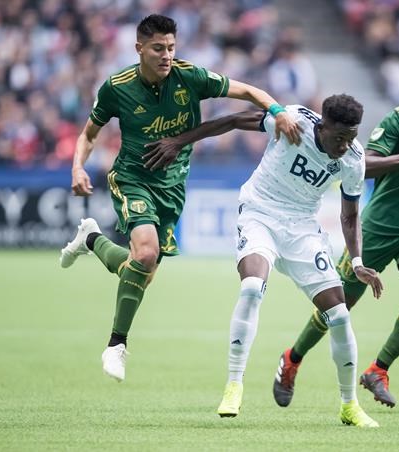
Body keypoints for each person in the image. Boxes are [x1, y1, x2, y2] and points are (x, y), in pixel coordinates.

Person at [59, 14, 301, 383]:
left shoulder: (191, 77)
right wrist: (78, 167)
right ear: (139, 48)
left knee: (140, 272)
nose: (167, 55)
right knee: (145, 254)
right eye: (158, 48)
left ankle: (91, 238)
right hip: (133, 179)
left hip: (172, 188)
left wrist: (278, 112)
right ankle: (116, 345)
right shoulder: (117, 87)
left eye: (171, 47)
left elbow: (249, 92)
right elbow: (89, 134)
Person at [146, 94, 384, 426]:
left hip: (302, 229)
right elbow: (233, 120)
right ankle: (234, 385)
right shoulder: (292, 122)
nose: (345, 146)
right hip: (260, 214)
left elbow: (350, 215)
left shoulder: (353, 159)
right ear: (323, 126)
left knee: (340, 315)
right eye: (340, 137)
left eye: (352, 137)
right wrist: (179, 141)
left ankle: (349, 405)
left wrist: (356, 262)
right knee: (252, 288)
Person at [272, 63, 399, 408]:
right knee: (339, 304)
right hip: (377, 227)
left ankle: (378, 371)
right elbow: (362, 166)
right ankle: (292, 359)